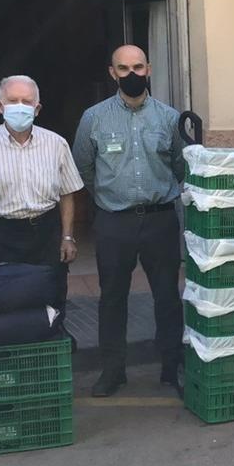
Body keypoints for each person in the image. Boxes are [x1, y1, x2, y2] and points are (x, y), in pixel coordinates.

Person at [74, 45, 185, 398]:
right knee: (112, 300)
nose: (132, 74)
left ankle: (172, 366)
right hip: (114, 223)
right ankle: (113, 371)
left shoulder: (169, 118)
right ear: (112, 73)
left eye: (138, 67)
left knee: (168, 297)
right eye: (123, 69)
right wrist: (108, 200)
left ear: (148, 68)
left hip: (160, 220)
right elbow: (84, 168)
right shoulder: (94, 118)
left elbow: (181, 167)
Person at [0, 75, 83, 307]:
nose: (19, 107)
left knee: (51, 297)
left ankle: (51, 338)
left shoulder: (57, 144)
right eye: (12, 100)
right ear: (0, 106)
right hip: (1, 234)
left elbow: (67, 194)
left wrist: (67, 237)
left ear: (37, 109)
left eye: (26, 102)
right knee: (4, 300)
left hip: (46, 232)